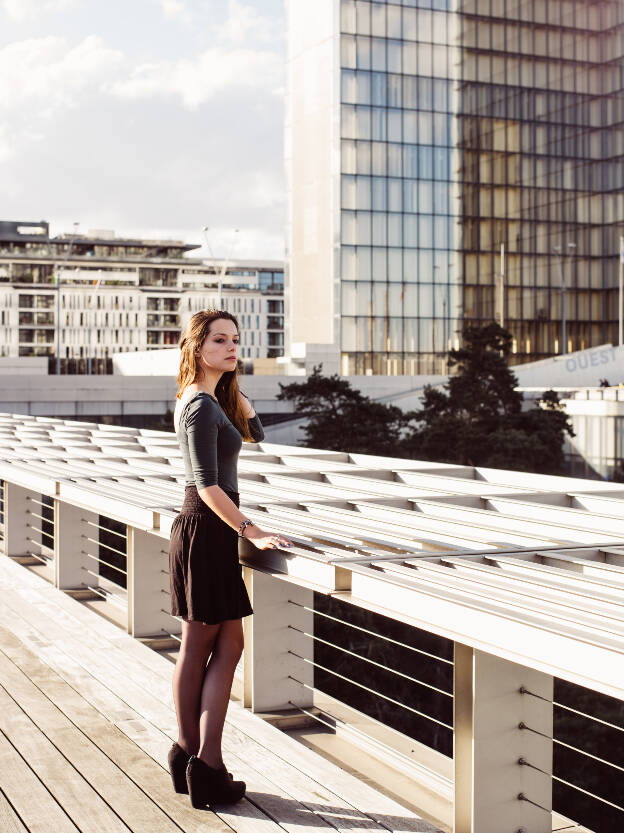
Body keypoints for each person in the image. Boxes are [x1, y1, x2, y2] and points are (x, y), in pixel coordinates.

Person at [167, 309, 293, 809]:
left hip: (210, 533)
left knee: (218, 642)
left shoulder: (210, 400)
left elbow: (257, 434)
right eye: (220, 340)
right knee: (203, 644)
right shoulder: (198, 405)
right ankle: (205, 764)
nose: (232, 347)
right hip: (207, 527)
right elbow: (206, 483)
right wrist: (252, 529)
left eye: (236, 340)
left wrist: (236, 391)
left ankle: (190, 756)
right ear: (197, 347)